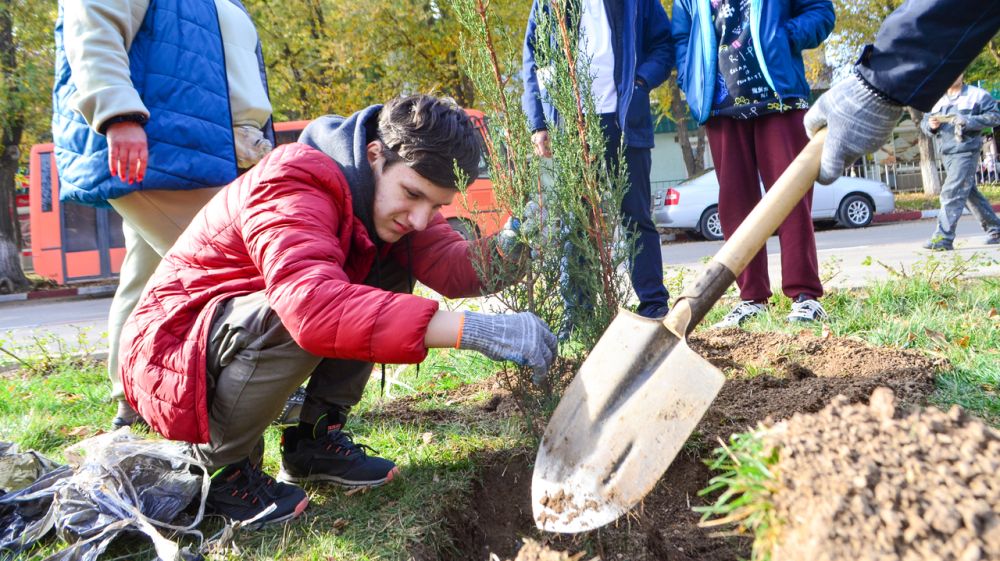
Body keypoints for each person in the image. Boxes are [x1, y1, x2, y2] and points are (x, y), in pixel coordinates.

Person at [116, 95, 558, 527]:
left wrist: (517, 242)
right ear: (374, 155)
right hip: (175, 351)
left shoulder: (386, 197)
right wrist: (475, 330)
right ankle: (217, 469)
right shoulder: (294, 179)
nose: (422, 219)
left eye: (437, 206)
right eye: (413, 195)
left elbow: (449, 263)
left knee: (377, 277)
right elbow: (310, 308)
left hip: (223, 340)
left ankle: (314, 441)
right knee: (309, 307)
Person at [52, 0, 276, 428]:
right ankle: (250, 395)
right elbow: (91, 22)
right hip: (158, 146)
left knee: (148, 276)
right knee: (238, 270)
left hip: (204, 150)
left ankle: (132, 406)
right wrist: (118, 113)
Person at [672, 0, 835, 328]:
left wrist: (782, 36)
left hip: (780, 97)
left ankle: (805, 297)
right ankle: (751, 299)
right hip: (719, 105)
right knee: (735, 205)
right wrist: (691, 79)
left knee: (790, 199)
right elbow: (682, 37)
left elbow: (820, 11)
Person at [521, 0, 674, 326]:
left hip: (624, 122)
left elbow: (663, 45)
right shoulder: (549, 4)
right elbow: (533, 61)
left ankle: (654, 305)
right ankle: (579, 317)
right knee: (574, 225)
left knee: (636, 216)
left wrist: (642, 80)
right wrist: (539, 122)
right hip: (570, 125)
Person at [804, 0, 1000, 186]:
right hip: (949, 155)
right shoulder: (940, 99)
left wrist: (880, 82)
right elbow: (926, 125)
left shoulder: (978, 96)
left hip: (967, 155)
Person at [918, 75, 1000, 249]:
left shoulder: (977, 95)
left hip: (967, 150)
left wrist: (969, 121)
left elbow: (995, 116)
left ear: (963, 74)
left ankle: (943, 238)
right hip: (947, 152)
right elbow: (924, 124)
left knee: (951, 191)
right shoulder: (935, 98)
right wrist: (931, 125)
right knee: (969, 193)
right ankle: (996, 229)